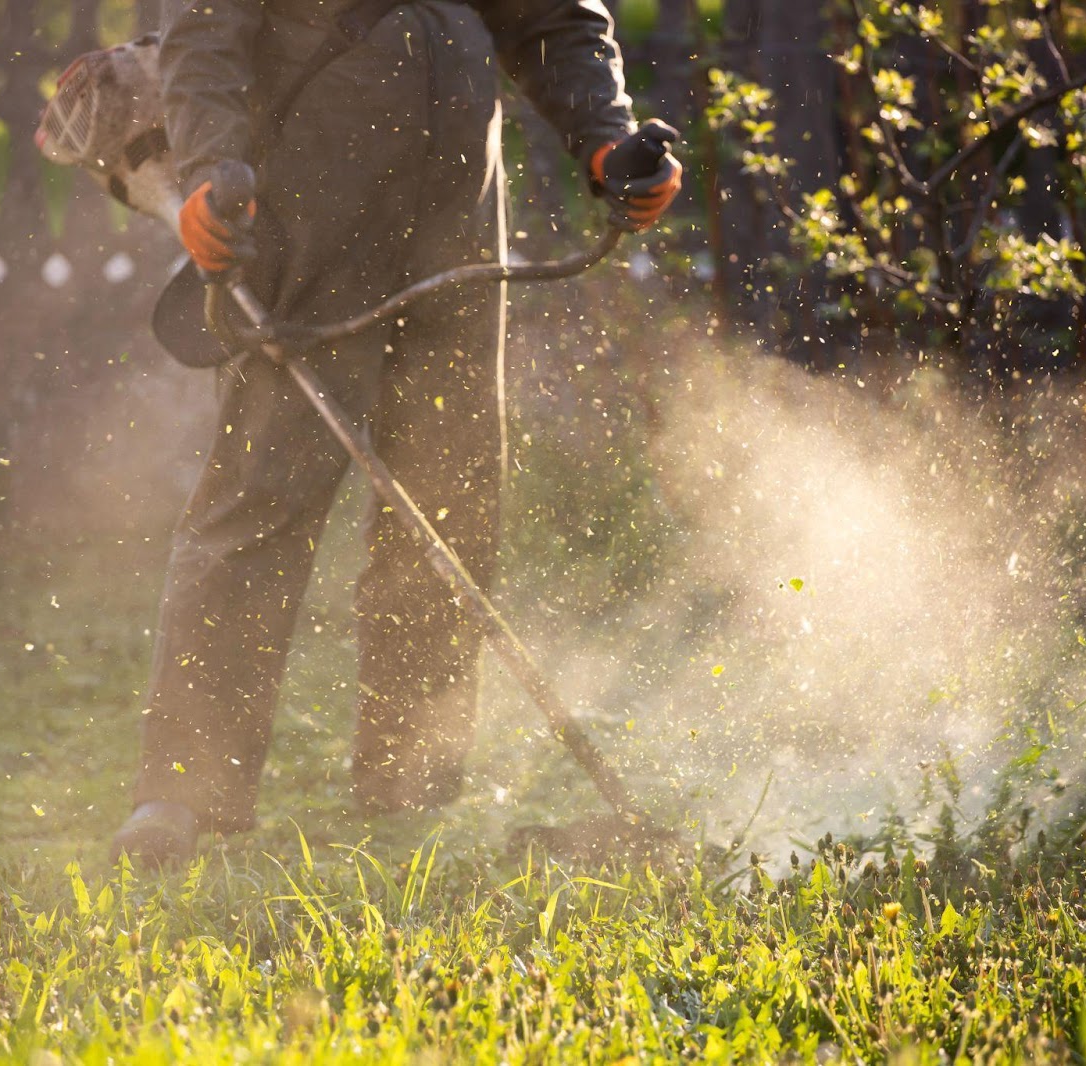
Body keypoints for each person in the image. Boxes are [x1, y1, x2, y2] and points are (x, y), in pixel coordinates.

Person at [110, 0, 682, 864]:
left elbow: (556, 17)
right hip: (301, 208)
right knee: (259, 501)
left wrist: (606, 139)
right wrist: (205, 171)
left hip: (454, 215)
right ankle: (182, 795)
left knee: (449, 496)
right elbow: (206, 33)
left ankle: (411, 781)